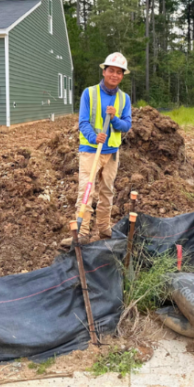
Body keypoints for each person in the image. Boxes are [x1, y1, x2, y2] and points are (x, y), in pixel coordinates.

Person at [62, 53, 133, 247]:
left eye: (119, 72)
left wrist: (115, 119)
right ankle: (82, 233)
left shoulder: (124, 98)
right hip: (90, 151)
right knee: (86, 190)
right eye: (111, 70)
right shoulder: (89, 93)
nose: (114, 75)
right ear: (104, 71)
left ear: (122, 76)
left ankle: (103, 228)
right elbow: (83, 121)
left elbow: (126, 126)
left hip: (111, 153)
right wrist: (95, 137)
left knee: (107, 191)